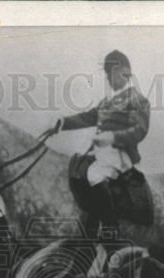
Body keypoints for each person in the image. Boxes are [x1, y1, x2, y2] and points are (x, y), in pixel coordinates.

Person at [53, 49, 151, 231]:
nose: (108, 78)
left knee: (94, 175)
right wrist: (63, 122)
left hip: (120, 153)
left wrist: (113, 137)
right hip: (100, 152)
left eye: (111, 73)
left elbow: (140, 130)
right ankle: (91, 224)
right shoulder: (106, 102)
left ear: (125, 72)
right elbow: (87, 117)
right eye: (107, 74)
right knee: (76, 167)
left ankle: (110, 230)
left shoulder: (137, 100)